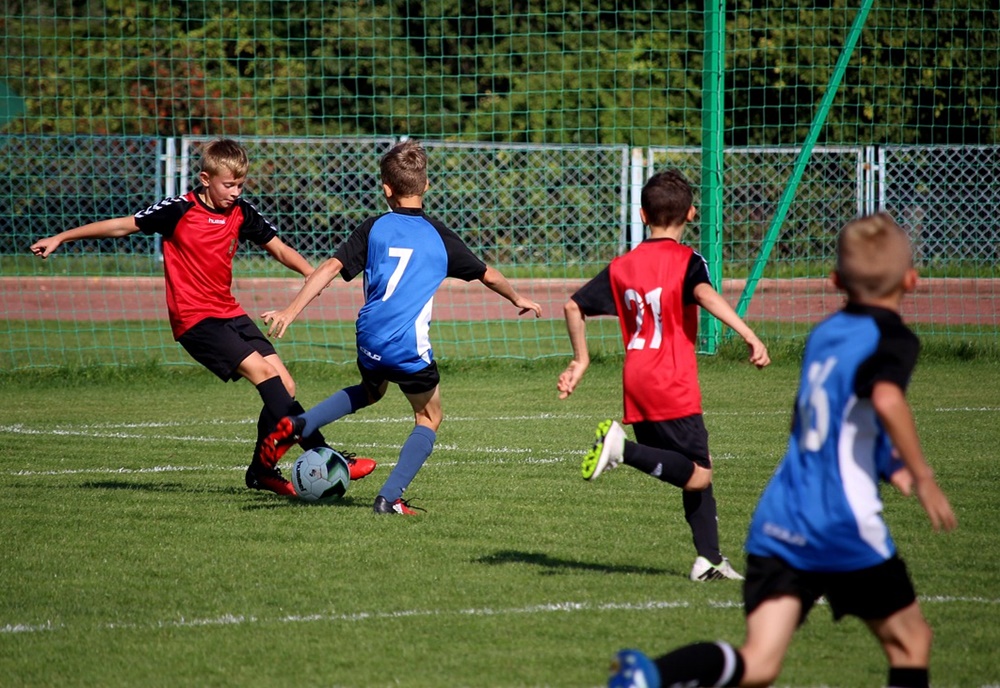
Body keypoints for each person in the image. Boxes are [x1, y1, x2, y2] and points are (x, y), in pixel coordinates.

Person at [607, 212, 958, 688]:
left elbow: (825, 419)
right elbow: (887, 398)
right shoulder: (891, 336)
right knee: (912, 642)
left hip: (779, 519)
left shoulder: (825, 335)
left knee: (761, 662)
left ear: (834, 281)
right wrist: (923, 474)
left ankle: (652, 675)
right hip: (840, 520)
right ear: (912, 281)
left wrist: (886, 462)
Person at [29, 138, 375, 497]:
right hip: (195, 320)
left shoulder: (242, 212)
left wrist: (311, 276)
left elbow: (279, 248)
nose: (235, 192)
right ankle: (328, 454)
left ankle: (261, 471)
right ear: (206, 178)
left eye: (241, 185)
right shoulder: (179, 210)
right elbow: (122, 225)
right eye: (229, 185)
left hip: (229, 311)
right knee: (263, 374)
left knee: (285, 385)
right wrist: (61, 237)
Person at [258, 139, 542, 515]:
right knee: (429, 417)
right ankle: (388, 498)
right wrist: (517, 298)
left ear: (386, 189)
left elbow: (328, 268)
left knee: (371, 391)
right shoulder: (439, 236)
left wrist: (291, 310)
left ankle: (298, 424)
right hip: (407, 347)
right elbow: (488, 275)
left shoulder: (374, 228)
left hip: (368, 338)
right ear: (425, 187)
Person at [557, 169, 770, 582]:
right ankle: (621, 450)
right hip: (672, 380)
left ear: (641, 214)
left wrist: (581, 360)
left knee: (691, 467)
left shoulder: (623, 265)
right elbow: (705, 294)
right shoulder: (688, 260)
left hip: (636, 378)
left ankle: (709, 559)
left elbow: (572, 306)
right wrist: (748, 334)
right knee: (701, 472)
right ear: (691, 214)